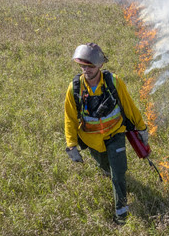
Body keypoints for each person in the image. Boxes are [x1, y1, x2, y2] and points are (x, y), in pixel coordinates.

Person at [63, 43, 149, 224]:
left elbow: (129, 106)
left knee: (118, 174)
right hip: (92, 141)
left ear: (100, 65)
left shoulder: (114, 82)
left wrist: (142, 129)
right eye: (83, 66)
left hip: (115, 135)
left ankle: (122, 215)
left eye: (90, 66)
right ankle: (107, 172)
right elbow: (70, 118)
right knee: (105, 168)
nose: (86, 70)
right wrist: (71, 145)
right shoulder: (74, 89)